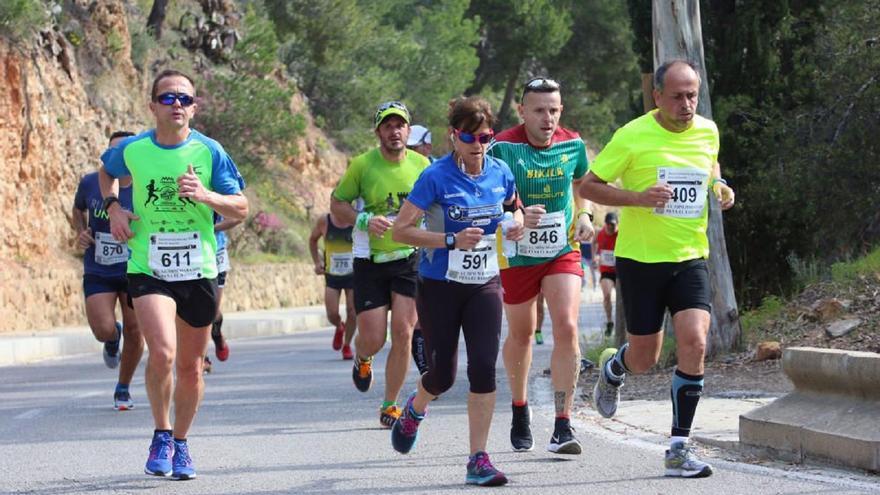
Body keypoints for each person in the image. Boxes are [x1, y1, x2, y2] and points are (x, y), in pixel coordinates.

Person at [579, 60, 735, 478]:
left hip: (689, 257)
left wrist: (719, 186)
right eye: (678, 96)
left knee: (695, 342)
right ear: (657, 97)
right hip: (641, 260)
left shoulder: (708, 130)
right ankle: (615, 369)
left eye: (693, 95)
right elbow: (588, 186)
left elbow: (711, 166)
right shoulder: (632, 135)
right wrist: (638, 198)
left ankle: (679, 447)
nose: (687, 104)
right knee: (645, 358)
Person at [100, 69, 248, 480]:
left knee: (190, 366)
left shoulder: (210, 151)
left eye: (184, 98)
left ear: (195, 107)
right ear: (152, 106)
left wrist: (206, 195)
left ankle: (181, 442)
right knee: (162, 352)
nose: (177, 104)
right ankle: (161, 433)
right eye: (168, 98)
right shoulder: (133, 149)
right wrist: (113, 208)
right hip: (148, 265)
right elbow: (105, 173)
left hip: (197, 267)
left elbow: (241, 206)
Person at [389, 96, 523, 486]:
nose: (478, 145)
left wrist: (515, 222)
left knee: (483, 367)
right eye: (470, 137)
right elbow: (401, 230)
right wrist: (449, 239)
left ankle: (477, 459)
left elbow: (514, 206)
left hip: (484, 283)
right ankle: (414, 409)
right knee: (443, 376)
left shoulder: (500, 172)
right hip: (439, 285)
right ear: (453, 136)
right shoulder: (435, 177)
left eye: (486, 137)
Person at [489, 77, 594, 454]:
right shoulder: (502, 147)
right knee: (522, 332)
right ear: (522, 112)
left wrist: (585, 214)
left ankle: (563, 424)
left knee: (566, 326)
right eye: (538, 110)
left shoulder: (573, 143)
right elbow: (485, 195)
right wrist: (513, 214)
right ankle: (519, 407)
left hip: (561, 248)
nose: (547, 118)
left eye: (553, 110)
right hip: (516, 251)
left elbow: (583, 182)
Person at [330, 101, 429, 427]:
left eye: (400, 125)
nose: (395, 131)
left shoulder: (422, 164)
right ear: (378, 132)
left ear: (408, 130)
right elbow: (337, 205)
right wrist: (363, 220)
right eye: (388, 125)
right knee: (373, 337)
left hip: (408, 259)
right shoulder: (362, 165)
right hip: (370, 261)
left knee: (402, 331)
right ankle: (363, 356)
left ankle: (390, 404)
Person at [72, 130, 144, 411]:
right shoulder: (91, 182)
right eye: (111, 152)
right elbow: (78, 209)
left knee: (136, 329)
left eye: (123, 151)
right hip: (98, 267)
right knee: (102, 329)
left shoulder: (143, 185)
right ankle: (113, 338)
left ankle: (123, 387)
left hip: (134, 267)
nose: (116, 157)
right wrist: (80, 231)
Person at [309, 211, 357, 360]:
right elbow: (312, 240)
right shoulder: (325, 220)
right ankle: (339, 326)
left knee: (352, 311)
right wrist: (317, 262)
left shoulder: (356, 219)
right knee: (331, 313)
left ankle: (347, 345)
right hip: (332, 275)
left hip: (353, 274)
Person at [203, 213, 241, 373]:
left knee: (211, 310)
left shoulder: (216, 189)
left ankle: (217, 335)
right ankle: (202, 358)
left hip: (216, 252)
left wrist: (210, 227)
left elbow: (236, 216)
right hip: (191, 255)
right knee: (197, 311)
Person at [593, 212, 618, 336]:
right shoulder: (600, 233)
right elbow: (594, 242)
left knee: (622, 299)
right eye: (609, 225)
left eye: (613, 225)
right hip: (606, 271)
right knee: (607, 296)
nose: (611, 227)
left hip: (619, 271)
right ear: (605, 224)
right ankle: (609, 322)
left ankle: (623, 324)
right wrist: (594, 257)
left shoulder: (620, 234)